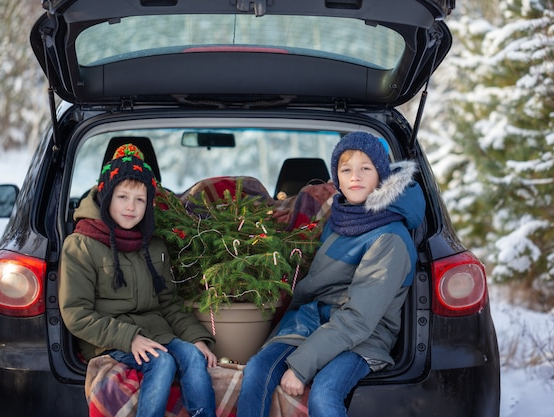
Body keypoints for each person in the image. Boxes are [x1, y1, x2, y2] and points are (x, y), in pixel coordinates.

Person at [236, 131, 425, 417]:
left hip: (365, 336)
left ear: (381, 175)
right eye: (346, 169)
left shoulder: (390, 238)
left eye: (366, 168)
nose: (355, 177)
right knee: (257, 371)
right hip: (315, 319)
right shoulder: (343, 217)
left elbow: (360, 318)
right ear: (336, 178)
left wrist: (300, 368)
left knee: (324, 393)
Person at [59, 143, 218, 417]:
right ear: (106, 195)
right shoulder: (82, 244)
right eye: (122, 197)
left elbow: (169, 304)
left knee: (193, 356)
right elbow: (76, 314)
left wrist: (196, 339)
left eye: (140, 199)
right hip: (109, 338)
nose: (131, 208)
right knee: (163, 362)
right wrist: (129, 338)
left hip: (156, 332)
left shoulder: (153, 245)